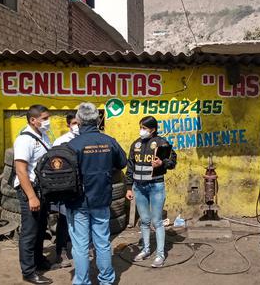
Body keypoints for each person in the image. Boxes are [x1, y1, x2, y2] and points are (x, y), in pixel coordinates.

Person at [66, 103, 127, 285]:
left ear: (78, 121)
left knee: (80, 246)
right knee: (102, 243)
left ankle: (82, 282)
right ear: (97, 119)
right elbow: (122, 162)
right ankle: (106, 281)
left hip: (78, 203)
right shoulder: (109, 141)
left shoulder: (72, 145)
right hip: (101, 199)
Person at [125, 116, 177, 268]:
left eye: (144, 128)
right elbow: (130, 166)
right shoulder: (136, 144)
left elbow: (173, 162)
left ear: (153, 129)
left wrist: (163, 163)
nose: (142, 131)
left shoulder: (162, 143)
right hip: (139, 188)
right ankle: (146, 250)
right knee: (145, 221)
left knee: (157, 221)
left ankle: (160, 255)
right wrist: (129, 187)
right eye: (140, 127)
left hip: (156, 187)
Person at [13, 105, 53, 284]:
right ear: (33, 120)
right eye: (44, 118)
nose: (47, 122)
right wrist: (31, 196)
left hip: (42, 190)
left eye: (47, 118)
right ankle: (28, 271)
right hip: (30, 189)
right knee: (29, 231)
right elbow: (21, 171)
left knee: (40, 228)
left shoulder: (42, 136)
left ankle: (38, 260)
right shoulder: (24, 140)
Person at [49, 114, 79, 269]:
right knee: (64, 220)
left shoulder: (86, 140)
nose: (77, 126)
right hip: (65, 187)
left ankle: (82, 249)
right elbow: (53, 165)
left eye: (78, 123)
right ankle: (60, 253)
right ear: (68, 125)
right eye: (74, 123)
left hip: (82, 187)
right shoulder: (60, 141)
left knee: (81, 220)